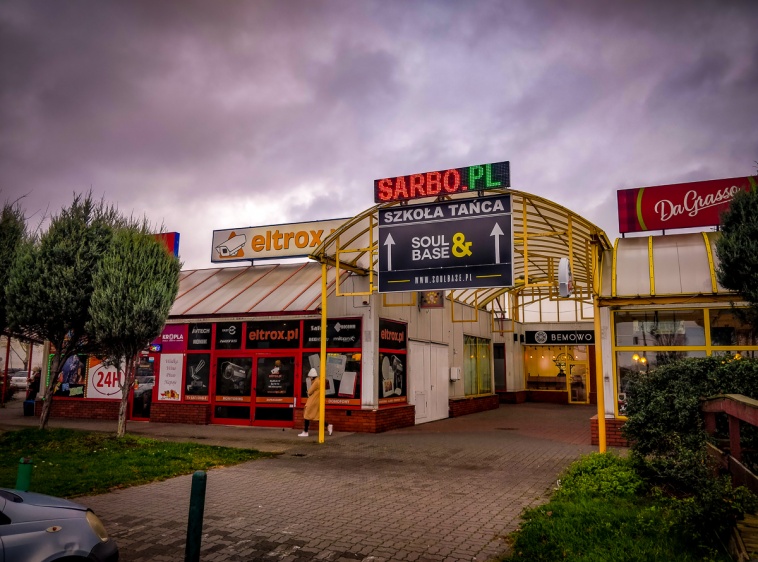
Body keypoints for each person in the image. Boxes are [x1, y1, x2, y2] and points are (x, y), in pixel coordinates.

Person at [299, 368, 333, 437]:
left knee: (307, 415)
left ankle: (305, 432)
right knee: (317, 417)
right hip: (317, 401)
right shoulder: (319, 380)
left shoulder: (316, 382)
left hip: (313, 401)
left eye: (310, 377)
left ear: (311, 376)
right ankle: (328, 425)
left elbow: (309, 391)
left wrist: (308, 391)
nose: (309, 378)